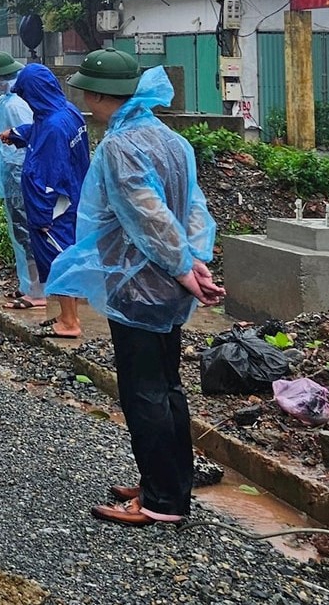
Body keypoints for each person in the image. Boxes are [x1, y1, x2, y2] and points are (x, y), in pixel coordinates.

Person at [48, 50, 225, 526]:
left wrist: (184, 269)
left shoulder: (121, 147)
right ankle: (165, 482)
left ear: (104, 95)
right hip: (167, 282)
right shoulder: (169, 139)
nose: (85, 100)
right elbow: (193, 209)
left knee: (144, 391)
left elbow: (148, 217)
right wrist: (194, 264)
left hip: (140, 283)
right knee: (167, 386)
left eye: (88, 92)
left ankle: (160, 503)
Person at [0, 62, 89, 338]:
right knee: (66, 256)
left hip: (54, 208)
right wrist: (17, 134)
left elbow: (48, 177)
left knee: (58, 259)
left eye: (25, 94)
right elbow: (39, 130)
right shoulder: (66, 113)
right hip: (72, 198)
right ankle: (65, 314)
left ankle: (70, 322)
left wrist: (40, 217)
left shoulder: (52, 127)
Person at [0, 52, 40, 310]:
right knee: (19, 231)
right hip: (12, 171)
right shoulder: (7, 101)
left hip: (19, 172)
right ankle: (27, 285)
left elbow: (28, 143)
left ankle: (37, 291)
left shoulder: (15, 105)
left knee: (26, 231)